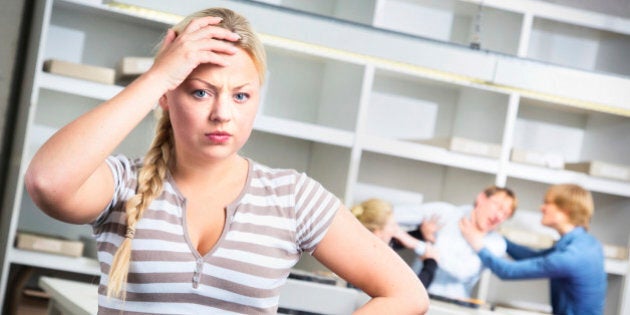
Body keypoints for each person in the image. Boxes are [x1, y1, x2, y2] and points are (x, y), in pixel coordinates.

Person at [24, 8, 428, 314]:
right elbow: (47, 182)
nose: (222, 114)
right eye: (201, 92)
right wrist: (156, 77)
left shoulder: (291, 197)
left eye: (241, 95)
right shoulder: (123, 183)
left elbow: (406, 294)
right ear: (168, 96)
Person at [460, 184, 606, 315]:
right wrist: (496, 236)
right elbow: (532, 257)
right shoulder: (586, 244)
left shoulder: (571, 257)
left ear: (566, 211)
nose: (541, 208)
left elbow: (507, 271)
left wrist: (476, 242)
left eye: (548, 203)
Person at [412, 186, 517, 300]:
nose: (499, 216)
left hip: (453, 305)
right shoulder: (447, 214)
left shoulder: (497, 243)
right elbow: (397, 217)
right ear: (481, 198)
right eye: (498, 207)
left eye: (506, 214)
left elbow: (463, 272)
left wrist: (428, 241)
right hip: (416, 295)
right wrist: (420, 234)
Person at [351, 198, 439, 287]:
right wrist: (431, 263)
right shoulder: (375, 265)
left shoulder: (360, 251)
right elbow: (411, 293)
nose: (396, 229)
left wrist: (422, 233)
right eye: (393, 225)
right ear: (377, 233)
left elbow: (393, 241)